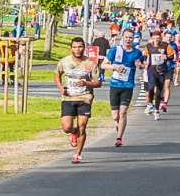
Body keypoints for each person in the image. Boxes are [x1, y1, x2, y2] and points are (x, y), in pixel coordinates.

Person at [55, 36, 101, 164]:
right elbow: (56, 74)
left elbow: (98, 83)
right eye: (75, 47)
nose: (77, 49)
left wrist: (87, 83)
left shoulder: (91, 64)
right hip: (68, 97)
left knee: (82, 126)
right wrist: (60, 87)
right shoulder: (64, 61)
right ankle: (73, 132)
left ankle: (77, 154)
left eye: (80, 47)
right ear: (71, 48)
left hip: (84, 98)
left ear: (84, 48)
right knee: (66, 127)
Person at [100, 28, 146, 148]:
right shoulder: (115, 50)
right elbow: (103, 65)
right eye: (126, 37)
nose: (128, 40)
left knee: (123, 112)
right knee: (115, 115)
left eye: (130, 38)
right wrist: (114, 67)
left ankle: (119, 138)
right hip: (115, 85)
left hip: (128, 85)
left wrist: (139, 65)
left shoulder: (137, 53)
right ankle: (118, 123)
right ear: (122, 37)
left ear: (133, 39)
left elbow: (142, 66)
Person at [141, 31, 172, 119]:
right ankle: (150, 103)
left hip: (162, 71)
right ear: (152, 39)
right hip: (151, 70)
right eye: (154, 38)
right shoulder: (148, 46)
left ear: (160, 38)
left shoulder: (165, 46)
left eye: (158, 38)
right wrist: (144, 62)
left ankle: (157, 110)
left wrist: (167, 57)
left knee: (159, 91)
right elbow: (145, 56)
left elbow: (172, 55)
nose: (156, 40)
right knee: (151, 87)